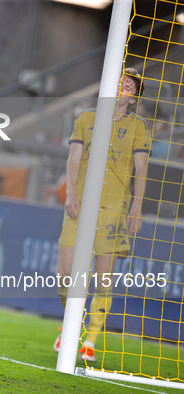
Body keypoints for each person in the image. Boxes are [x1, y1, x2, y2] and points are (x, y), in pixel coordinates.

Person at [54, 68, 151, 362]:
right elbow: (73, 158)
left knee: (103, 278)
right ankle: (71, 325)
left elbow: (142, 168)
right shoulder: (86, 118)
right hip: (79, 205)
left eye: (131, 85)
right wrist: (70, 193)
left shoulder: (138, 126)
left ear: (133, 99)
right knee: (65, 274)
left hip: (114, 208)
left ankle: (91, 340)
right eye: (122, 80)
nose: (124, 85)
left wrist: (136, 205)